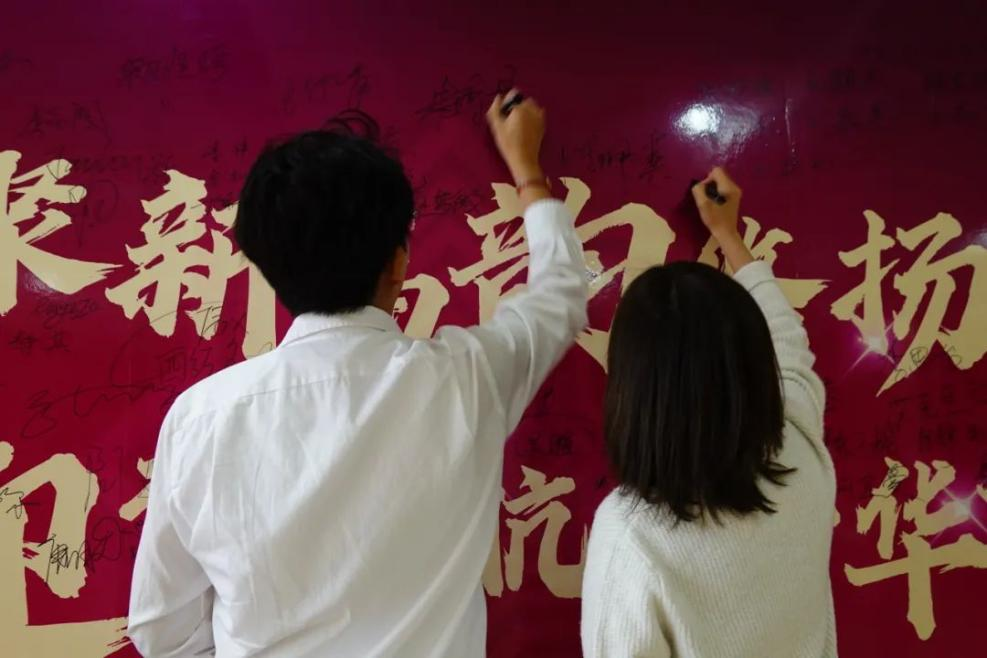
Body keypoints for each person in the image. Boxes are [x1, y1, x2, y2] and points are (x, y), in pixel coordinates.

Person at [127, 91, 588, 657]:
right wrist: (527, 170)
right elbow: (560, 296)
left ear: (267, 267)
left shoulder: (201, 418)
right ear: (398, 262)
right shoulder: (466, 379)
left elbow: (161, 631)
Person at [581, 168, 836, 658]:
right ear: (756, 364)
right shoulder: (802, 454)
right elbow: (789, 343)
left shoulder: (633, 537)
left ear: (632, 392)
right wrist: (729, 237)